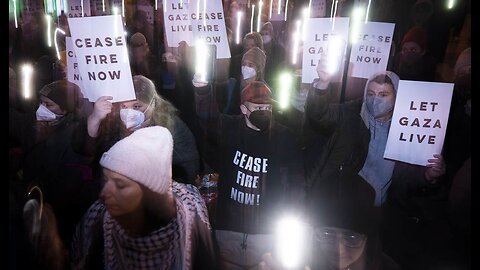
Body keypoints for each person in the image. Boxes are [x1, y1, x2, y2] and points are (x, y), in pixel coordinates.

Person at [305, 54, 447, 268]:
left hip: (379, 212)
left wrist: (428, 176)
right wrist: (322, 84)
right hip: (342, 206)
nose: (375, 99)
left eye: (383, 94)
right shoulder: (350, 114)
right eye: (371, 93)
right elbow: (319, 114)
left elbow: (405, 174)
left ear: (397, 97)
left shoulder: (407, 130)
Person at [193, 78, 305, 269]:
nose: (264, 112)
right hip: (228, 228)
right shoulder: (229, 128)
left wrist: (293, 214)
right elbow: (208, 119)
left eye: (268, 108)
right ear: (244, 109)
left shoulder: (283, 136)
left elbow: (295, 180)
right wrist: (203, 91)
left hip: (266, 231)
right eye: (258, 108)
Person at [70, 126, 217, 269]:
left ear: (149, 193)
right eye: (106, 180)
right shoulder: (98, 221)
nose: (103, 193)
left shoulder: (191, 221)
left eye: (120, 185)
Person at [73, 75, 200, 186]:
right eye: (124, 106)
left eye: (137, 106)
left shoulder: (172, 127)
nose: (129, 112)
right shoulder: (112, 123)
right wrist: (94, 120)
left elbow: (187, 169)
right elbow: (86, 155)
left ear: (153, 104)